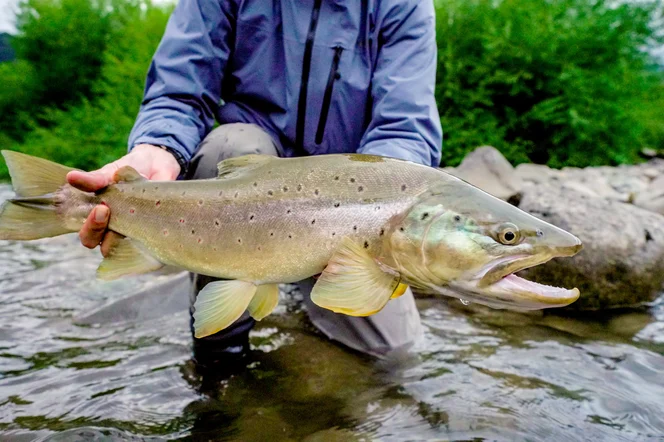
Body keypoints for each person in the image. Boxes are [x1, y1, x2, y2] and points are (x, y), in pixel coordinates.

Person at [66, 0, 443, 368]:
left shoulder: (402, 5)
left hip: (344, 208)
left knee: (395, 356)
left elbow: (403, 128)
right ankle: (220, 361)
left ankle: (293, 280)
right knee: (227, 146)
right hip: (248, 183)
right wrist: (159, 148)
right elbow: (181, 91)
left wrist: (386, 222)